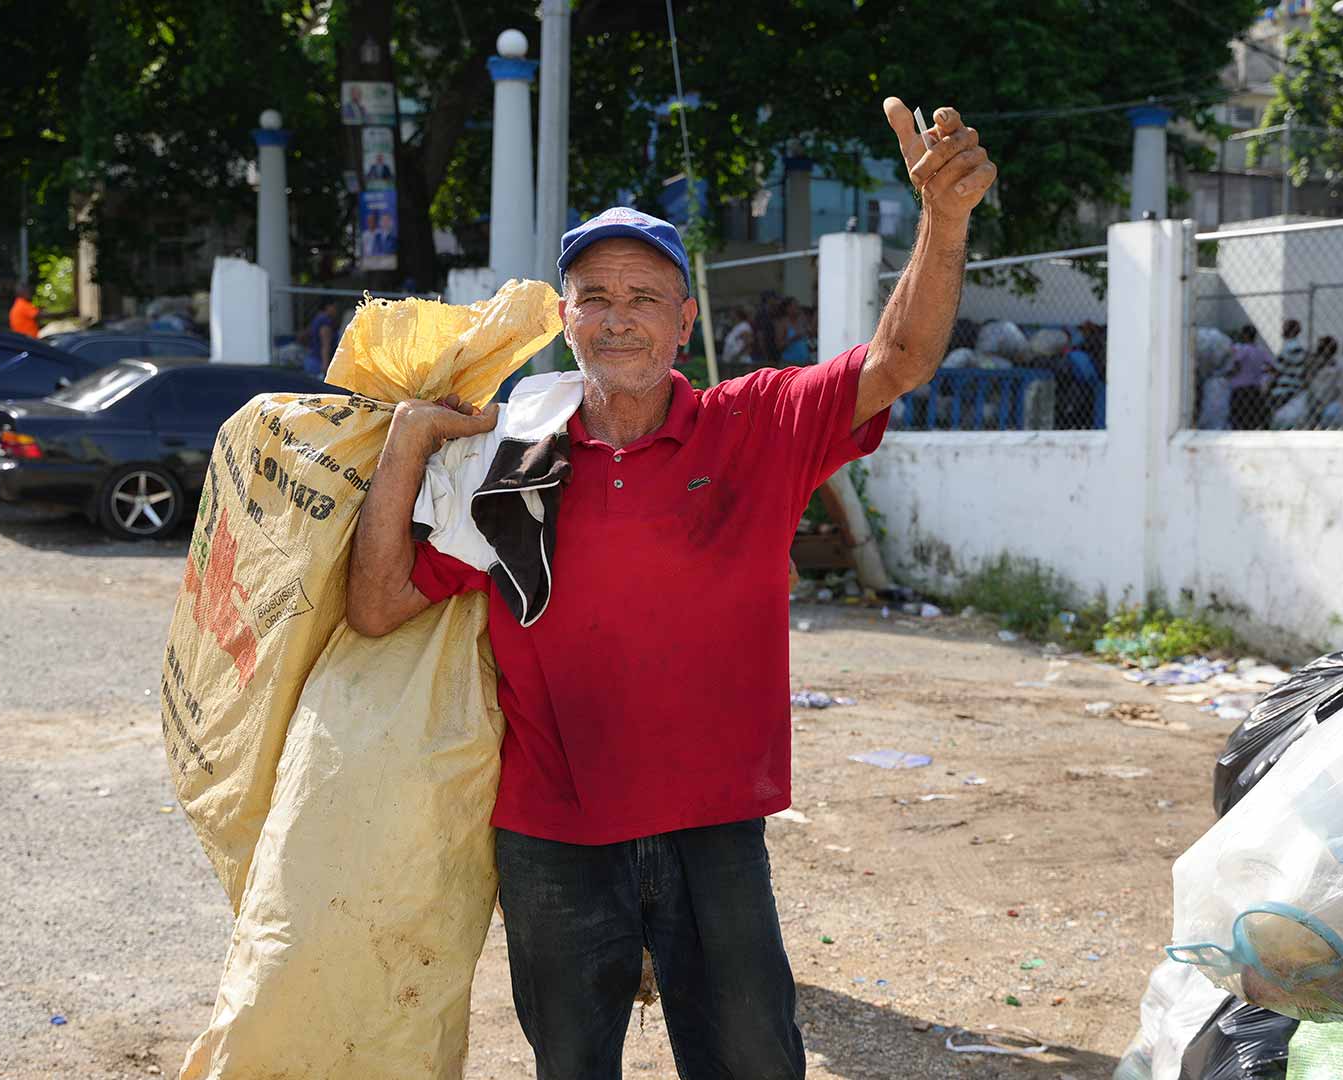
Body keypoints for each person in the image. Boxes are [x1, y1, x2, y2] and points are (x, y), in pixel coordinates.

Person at [345, 97, 994, 1079]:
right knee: (572, 1066)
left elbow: (899, 359)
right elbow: (378, 605)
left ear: (685, 321)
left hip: (712, 828)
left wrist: (943, 223)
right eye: (594, 296)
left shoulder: (756, 426)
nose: (617, 319)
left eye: (644, 297)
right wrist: (403, 448)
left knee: (750, 1063)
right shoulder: (513, 461)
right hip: (551, 834)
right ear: (564, 319)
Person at [1226, 324, 1274, 429]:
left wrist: (1228, 374)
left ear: (1245, 335)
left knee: (1238, 418)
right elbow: (1272, 367)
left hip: (1240, 389)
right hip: (1255, 389)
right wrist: (1259, 371)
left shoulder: (1243, 349)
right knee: (1252, 418)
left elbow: (1237, 365)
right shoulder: (1261, 350)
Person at [300, 300, 340, 376]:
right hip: (319, 362)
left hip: (310, 359)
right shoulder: (325, 323)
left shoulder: (316, 319)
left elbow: (303, 336)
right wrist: (325, 366)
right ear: (328, 307)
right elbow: (325, 345)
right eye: (334, 307)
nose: (336, 311)